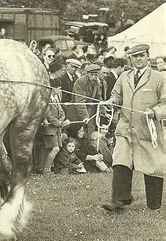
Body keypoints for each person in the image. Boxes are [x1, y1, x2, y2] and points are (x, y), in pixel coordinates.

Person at [102, 44, 166, 211]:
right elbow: (116, 96)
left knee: (153, 166)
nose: (138, 59)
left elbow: (165, 104)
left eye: (141, 55)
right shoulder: (124, 76)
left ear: (148, 56)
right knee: (120, 161)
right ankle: (119, 200)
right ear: (130, 58)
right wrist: (112, 102)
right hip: (125, 128)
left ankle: (154, 203)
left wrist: (155, 111)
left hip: (148, 129)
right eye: (135, 56)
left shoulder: (159, 78)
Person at [38, 79, 69, 174]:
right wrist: (58, 123)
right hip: (49, 129)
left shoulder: (56, 99)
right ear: (53, 89)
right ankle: (46, 170)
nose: (60, 91)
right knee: (55, 149)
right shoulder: (47, 99)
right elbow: (48, 115)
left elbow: (62, 112)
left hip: (56, 129)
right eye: (59, 89)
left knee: (51, 149)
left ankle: (45, 168)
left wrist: (61, 120)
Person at [66, 64, 105, 139]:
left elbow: (98, 98)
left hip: (89, 113)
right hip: (76, 112)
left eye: (96, 75)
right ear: (87, 74)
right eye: (92, 75)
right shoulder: (81, 82)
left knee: (88, 136)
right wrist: (85, 116)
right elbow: (80, 101)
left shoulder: (97, 82)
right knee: (74, 136)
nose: (94, 77)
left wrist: (104, 111)